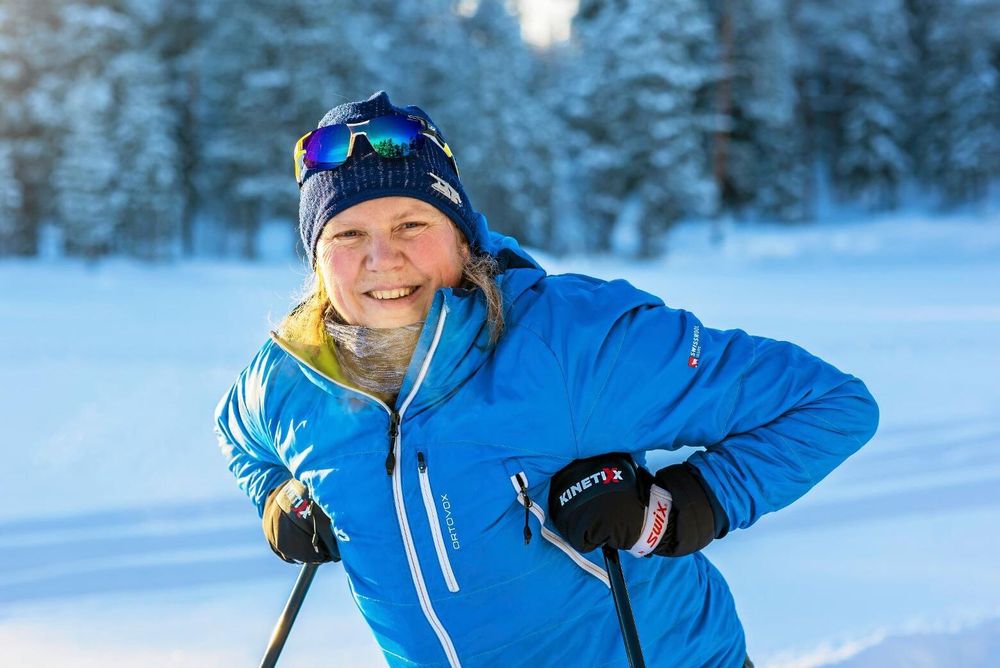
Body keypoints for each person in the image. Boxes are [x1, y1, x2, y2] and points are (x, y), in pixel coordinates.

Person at [215, 91, 879, 667]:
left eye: (411, 224)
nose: (381, 259)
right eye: (348, 234)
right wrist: (278, 495)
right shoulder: (289, 379)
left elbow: (829, 404)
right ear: (316, 256)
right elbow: (239, 439)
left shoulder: (573, 341)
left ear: (462, 236)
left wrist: (675, 511)